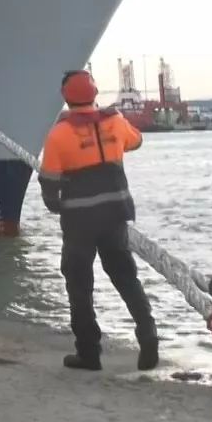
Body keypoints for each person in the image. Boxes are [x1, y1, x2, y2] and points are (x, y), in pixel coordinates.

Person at [38, 69, 159, 371]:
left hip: (79, 222)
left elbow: (49, 181)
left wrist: (55, 205)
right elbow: (136, 141)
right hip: (115, 215)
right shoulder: (115, 122)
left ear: (65, 97)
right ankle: (149, 338)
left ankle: (89, 353)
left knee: (79, 285)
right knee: (126, 278)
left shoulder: (58, 135)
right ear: (94, 94)